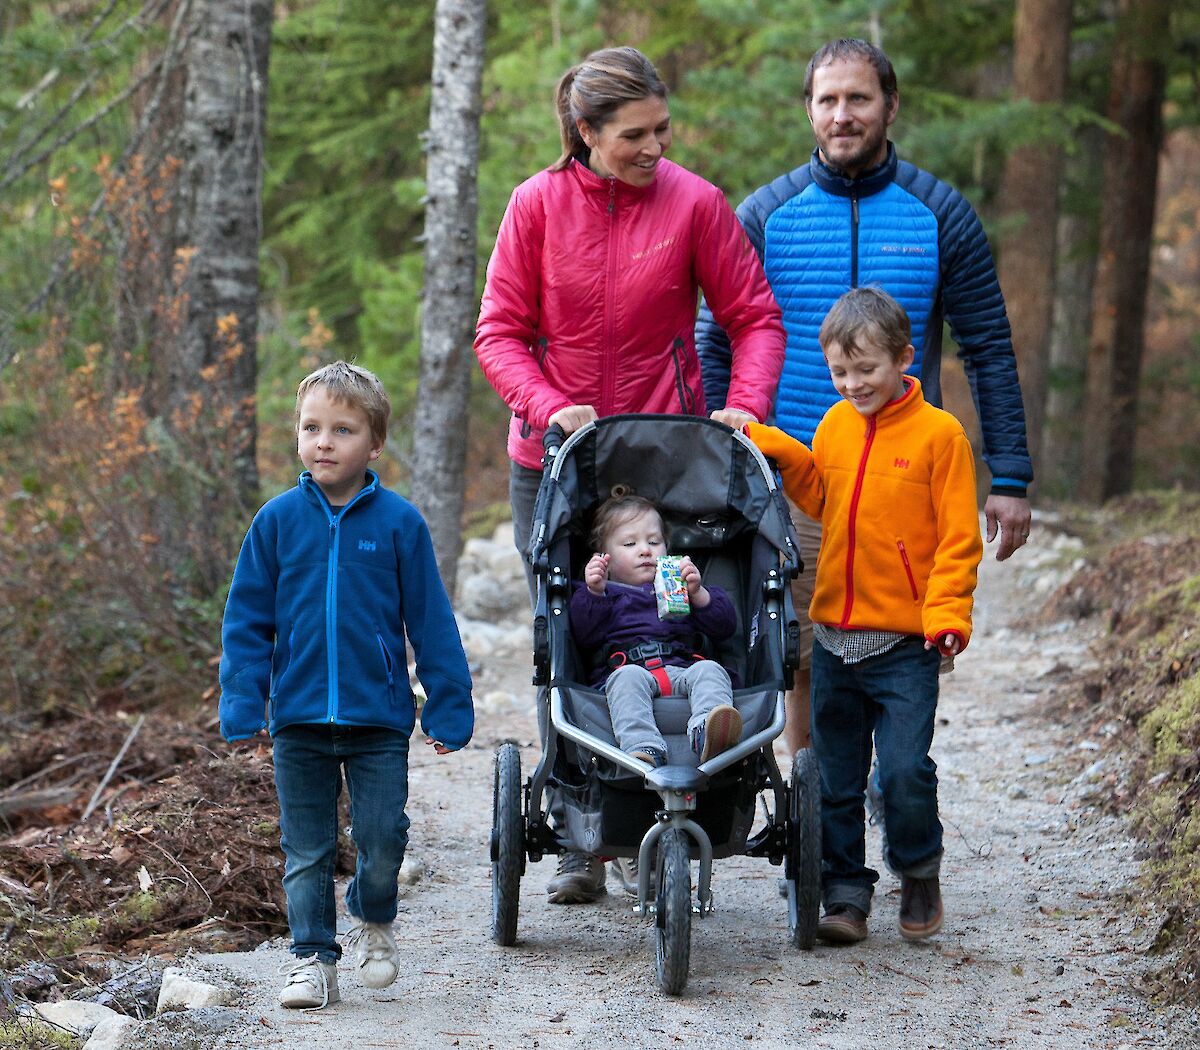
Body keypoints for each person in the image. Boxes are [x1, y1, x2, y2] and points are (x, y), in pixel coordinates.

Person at [474, 45, 786, 904]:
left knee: (677, 615)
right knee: (567, 630)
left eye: (663, 130)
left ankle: (691, 790)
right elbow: (497, 333)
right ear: (586, 131)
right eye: (635, 136)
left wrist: (743, 406)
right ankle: (581, 832)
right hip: (558, 458)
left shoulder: (694, 203)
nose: (655, 148)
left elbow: (754, 318)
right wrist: (546, 403)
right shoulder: (536, 205)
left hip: (668, 457)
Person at [695, 37, 1033, 756]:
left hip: (910, 477)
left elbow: (989, 348)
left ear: (890, 105)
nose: (842, 114)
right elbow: (715, 339)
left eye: (858, 98)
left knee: (900, 648)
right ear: (808, 109)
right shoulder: (765, 215)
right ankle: (820, 819)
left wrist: (1008, 477)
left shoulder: (940, 212)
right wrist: (719, 447)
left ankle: (890, 785)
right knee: (808, 648)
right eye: (828, 100)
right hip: (801, 476)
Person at [218, 362, 474, 1010]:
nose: (323, 441)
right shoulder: (275, 524)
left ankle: (375, 916)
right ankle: (311, 960)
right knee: (306, 849)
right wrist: (245, 703)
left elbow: (432, 622)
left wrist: (447, 706)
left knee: (383, 838)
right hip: (299, 716)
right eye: (311, 427)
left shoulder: (399, 524)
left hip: (378, 716)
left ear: (375, 443)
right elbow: (246, 622)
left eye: (342, 428)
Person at [746, 286, 983, 944]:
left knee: (904, 770)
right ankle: (846, 892)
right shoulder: (834, 424)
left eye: (866, 370)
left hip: (907, 644)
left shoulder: (941, 438)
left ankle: (918, 867)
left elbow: (960, 540)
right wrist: (779, 449)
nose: (853, 384)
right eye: (840, 373)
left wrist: (947, 615)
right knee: (836, 778)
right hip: (835, 641)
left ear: (905, 358)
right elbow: (821, 495)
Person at [571, 493, 743, 771]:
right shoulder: (603, 593)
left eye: (654, 542)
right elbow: (584, 636)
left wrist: (698, 594)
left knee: (711, 670)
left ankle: (708, 730)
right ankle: (643, 746)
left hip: (682, 666)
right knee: (626, 679)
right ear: (605, 557)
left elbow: (725, 627)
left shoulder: (679, 586)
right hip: (627, 668)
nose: (645, 550)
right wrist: (594, 592)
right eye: (630, 543)